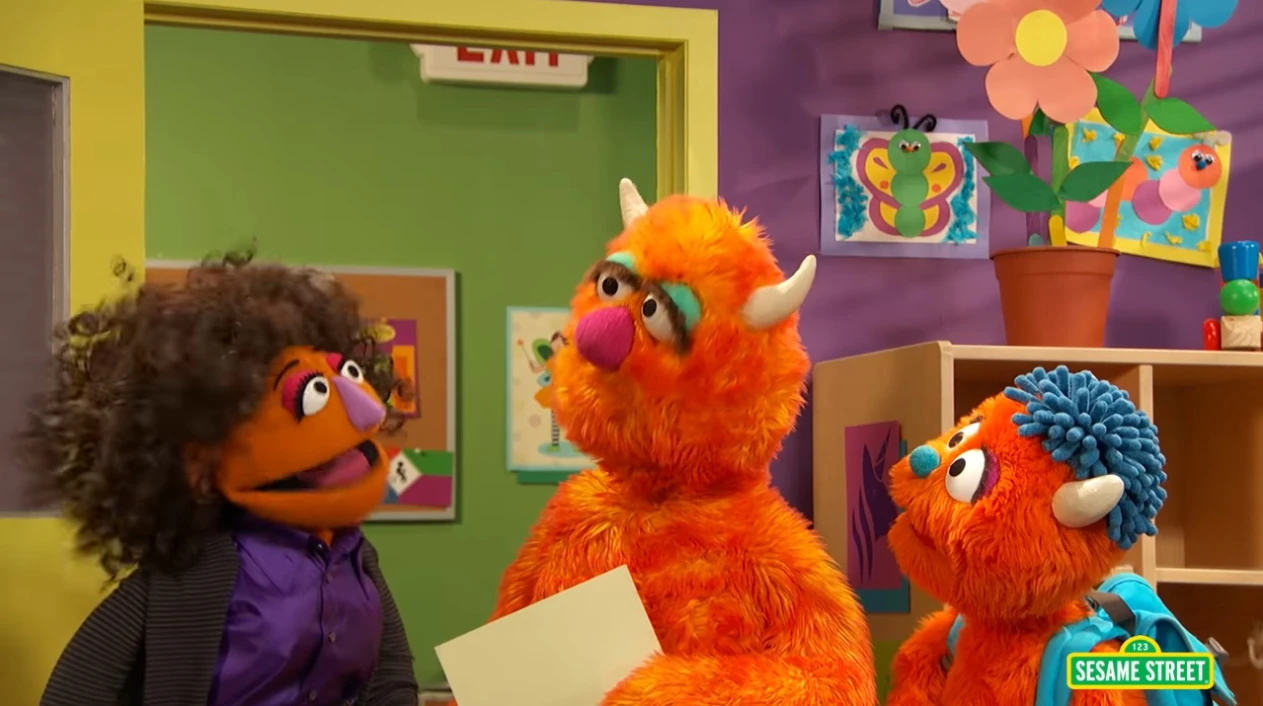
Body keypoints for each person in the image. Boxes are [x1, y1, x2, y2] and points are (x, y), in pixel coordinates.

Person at [485, 180, 877, 706]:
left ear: (733, 378)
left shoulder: (764, 549)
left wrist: (675, 693)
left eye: (654, 313)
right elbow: (505, 669)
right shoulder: (574, 519)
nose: (600, 335)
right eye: (613, 288)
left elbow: (836, 685)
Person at [21, 253, 418, 706]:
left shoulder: (354, 554)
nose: (366, 410)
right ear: (203, 453)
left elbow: (390, 679)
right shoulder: (199, 568)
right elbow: (78, 686)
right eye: (311, 393)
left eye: (347, 374)